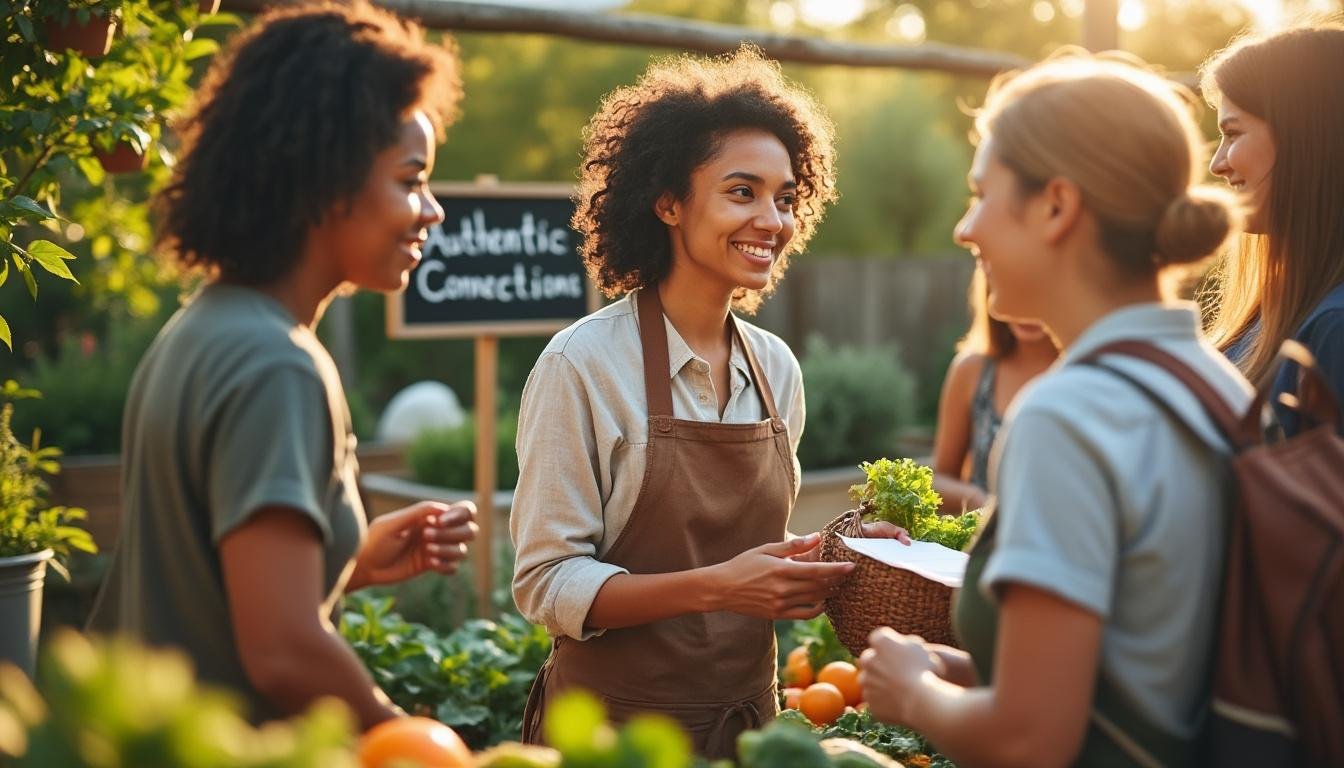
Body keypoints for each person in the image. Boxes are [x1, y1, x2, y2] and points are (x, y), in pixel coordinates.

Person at [88, 1, 477, 731]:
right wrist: (412, 741)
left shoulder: (203, 328)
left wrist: (351, 559)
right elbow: (283, 651)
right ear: (325, 181)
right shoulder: (278, 364)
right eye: (410, 179)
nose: (432, 211)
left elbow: (204, 583)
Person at [509, 47, 906, 759]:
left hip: (750, 730)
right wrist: (719, 589)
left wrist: (841, 553)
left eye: (785, 198)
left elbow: (750, 559)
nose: (772, 220)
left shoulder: (776, 368)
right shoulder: (583, 365)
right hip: (612, 737)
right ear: (667, 203)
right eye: (742, 191)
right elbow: (548, 581)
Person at [857, 54, 1251, 767]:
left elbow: (1032, 741)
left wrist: (912, 692)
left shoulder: (1067, 417)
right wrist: (966, 679)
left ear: (1057, 206)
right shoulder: (1216, 387)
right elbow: (1152, 665)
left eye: (981, 193)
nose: (964, 228)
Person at [1202, 20, 1344, 437]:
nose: (1218, 163)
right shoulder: (1269, 317)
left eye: (1233, 133)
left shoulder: (1333, 328)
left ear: (1305, 139)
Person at [930, 268, 1057, 513]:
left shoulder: (1083, 371)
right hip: (986, 545)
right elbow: (939, 479)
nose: (1025, 307)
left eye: (1036, 289)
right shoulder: (972, 370)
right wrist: (979, 500)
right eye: (1014, 288)